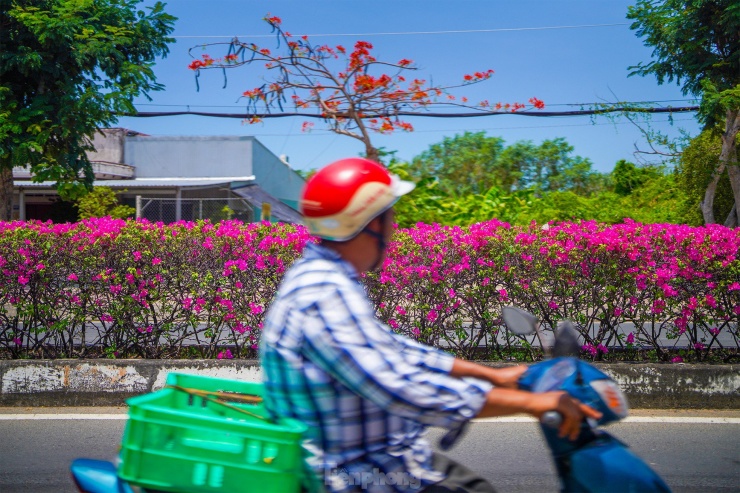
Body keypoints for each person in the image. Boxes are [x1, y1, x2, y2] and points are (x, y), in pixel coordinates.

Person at [260, 157, 601, 493]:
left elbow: (390, 348)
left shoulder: (322, 276)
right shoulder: (324, 293)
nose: (394, 230)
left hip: (382, 455)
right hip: (357, 472)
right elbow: (398, 387)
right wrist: (532, 403)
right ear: (372, 223)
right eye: (391, 216)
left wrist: (491, 375)